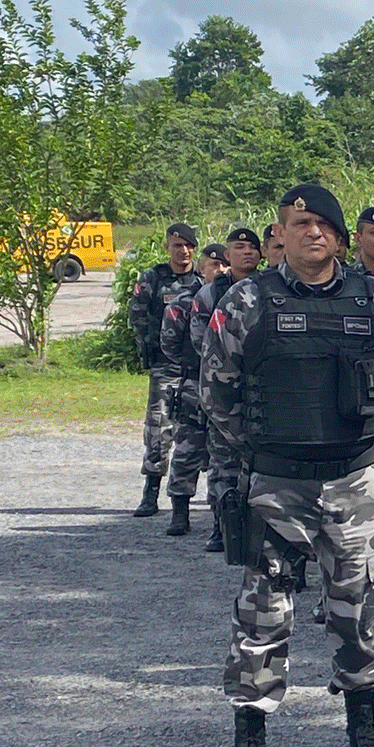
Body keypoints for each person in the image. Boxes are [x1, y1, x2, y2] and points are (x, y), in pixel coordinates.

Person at [201, 184, 374, 747]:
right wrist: (265, 454)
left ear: (340, 239)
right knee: (264, 616)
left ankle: (363, 743)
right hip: (277, 483)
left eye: (324, 224)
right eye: (300, 223)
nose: (312, 232)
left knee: (359, 610)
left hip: (352, 479)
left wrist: (362, 447)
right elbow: (218, 393)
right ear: (281, 235)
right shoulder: (246, 301)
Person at [191, 228, 265, 553]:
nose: (247, 252)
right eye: (239, 247)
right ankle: (221, 527)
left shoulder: (269, 289)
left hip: (262, 390)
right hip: (224, 386)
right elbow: (200, 341)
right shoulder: (208, 295)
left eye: (252, 247)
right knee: (222, 463)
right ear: (227, 256)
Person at [128, 223, 200, 517]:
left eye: (187, 246)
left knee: (197, 430)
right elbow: (138, 315)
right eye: (176, 246)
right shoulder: (154, 278)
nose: (182, 251)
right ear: (168, 247)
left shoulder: (203, 280)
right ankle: (151, 492)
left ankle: (191, 497)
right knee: (158, 428)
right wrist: (148, 350)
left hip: (197, 366)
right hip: (165, 364)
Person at [159, 243, 227, 537]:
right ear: (202, 269)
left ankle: (218, 521)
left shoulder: (238, 298)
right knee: (187, 450)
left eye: (225, 265)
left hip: (225, 388)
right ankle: (179, 512)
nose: (220, 270)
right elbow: (169, 345)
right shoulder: (183, 303)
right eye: (214, 265)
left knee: (222, 456)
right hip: (194, 386)